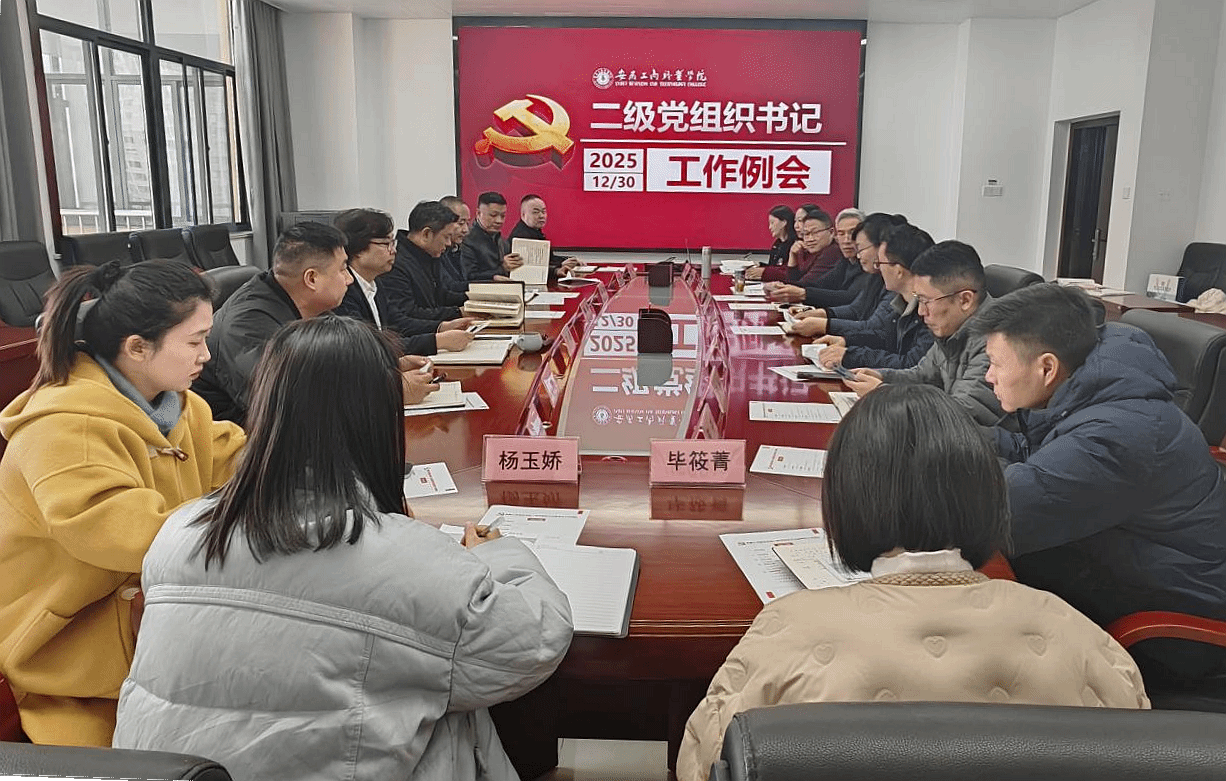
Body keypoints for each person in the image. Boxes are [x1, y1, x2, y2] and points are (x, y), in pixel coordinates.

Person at [113, 315, 573, 780]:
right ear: (379, 417)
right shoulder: (400, 557)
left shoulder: (180, 531)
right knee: (450, 705)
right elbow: (532, 643)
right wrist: (497, 556)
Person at [676, 384, 1149, 781]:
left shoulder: (785, 631)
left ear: (845, 501)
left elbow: (701, 764)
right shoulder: (1077, 632)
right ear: (987, 491)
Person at [0, 261, 246, 746]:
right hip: (73, 658)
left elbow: (233, 459)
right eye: (195, 341)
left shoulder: (181, 405)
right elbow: (129, 537)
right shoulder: (64, 428)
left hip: (153, 623)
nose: (207, 354)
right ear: (137, 348)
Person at [975, 283, 1226, 681]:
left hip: (1177, 612)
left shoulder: (1115, 435)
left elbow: (1001, 511)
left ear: (1046, 368)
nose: (989, 377)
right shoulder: (1091, 387)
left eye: (995, 364)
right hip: (1130, 558)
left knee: (980, 600)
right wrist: (951, 437)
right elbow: (1036, 456)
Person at [193, 221, 353, 424]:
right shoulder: (246, 326)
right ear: (311, 279)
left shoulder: (311, 306)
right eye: (343, 269)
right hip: (239, 433)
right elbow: (283, 403)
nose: (349, 279)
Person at [840, 240, 1010, 430]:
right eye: (918, 300)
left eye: (926, 301)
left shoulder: (997, 342)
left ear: (965, 300)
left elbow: (961, 415)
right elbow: (922, 375)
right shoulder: (955, 327)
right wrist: (882, 376)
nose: (921, 312)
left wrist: (881, 394)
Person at [332, 208, 474, 356]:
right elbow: (366, 347)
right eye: (386, 244)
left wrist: (442, 327)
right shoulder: (344, 291)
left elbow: (398, 323)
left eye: (392, 243)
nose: (393, 251)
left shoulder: (374, 283)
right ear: (358, 249)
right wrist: (436, 341)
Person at [807, 222, 935, 370]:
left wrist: (850, 356)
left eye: (880, 263)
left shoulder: (929, 309)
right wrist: (846, 341)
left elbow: (910, 365)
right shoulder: (903, 301)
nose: (878, 268)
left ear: (899, 271)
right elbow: (885, 338)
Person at [386, 200, 474, 325]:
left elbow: (441, 295)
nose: (449, 243)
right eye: (446, 237)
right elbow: (409, 313)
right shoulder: (396, 264)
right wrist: (457, 313)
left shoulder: (430, 255)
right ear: (426, 234)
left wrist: (478, 300)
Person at [507, 193, 581, 275]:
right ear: (523, 215)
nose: (541, 216)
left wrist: (569, 260)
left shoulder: (535, 231)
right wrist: (559, 266)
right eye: (536, 212)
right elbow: (529, 268)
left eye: (543, 211)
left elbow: (548, 258)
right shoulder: (521, 236)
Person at [461, 191, 523, 282]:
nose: (499, 221)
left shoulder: (503, 242)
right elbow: (469, 276)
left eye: (503, 216)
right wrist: (502, 269)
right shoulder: (466, 240)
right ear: (478, 213)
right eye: (493, 215)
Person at [744, 204, 795, 282]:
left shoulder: (795, 244)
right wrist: (759, 265)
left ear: (784, 222)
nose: (770, 227)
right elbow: (774, 267)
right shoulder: (777, 244)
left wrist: (764, 272)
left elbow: (788, 272)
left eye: (772, 223)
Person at [438, 195, 473, 294]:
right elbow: (449, 286)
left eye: (467, 223)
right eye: (461, 223)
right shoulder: (436, 251)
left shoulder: (457, 248)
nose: (466, 230)